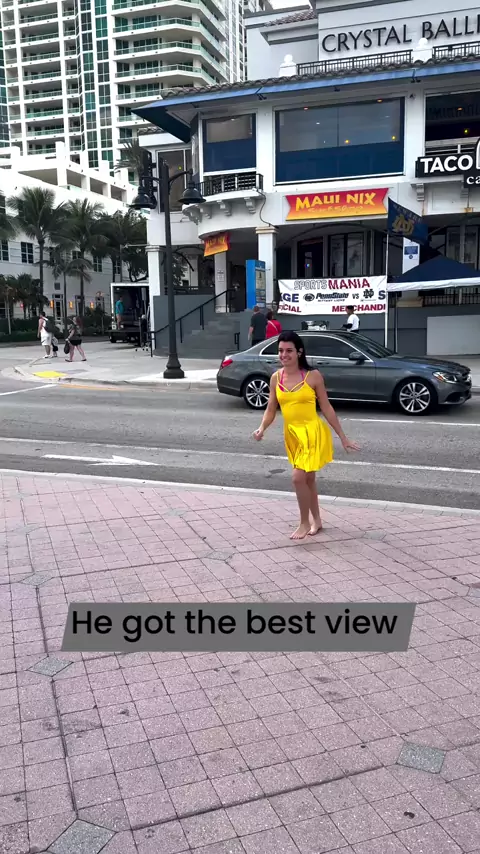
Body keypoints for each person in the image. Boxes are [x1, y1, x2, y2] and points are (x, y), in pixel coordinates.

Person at [253, 331, 359, 540]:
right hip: (292, 436)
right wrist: (262, 428)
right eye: (281, 351)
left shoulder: (313, 376)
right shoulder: (275, 378)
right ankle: (317, 520)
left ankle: (304, 523)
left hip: (312, 433)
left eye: (289, 350)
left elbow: (327, 408)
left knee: (297, 478)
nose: (284, 355)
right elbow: (271, 408)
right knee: (308, 479)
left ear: (299, 352)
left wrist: (342, 437)